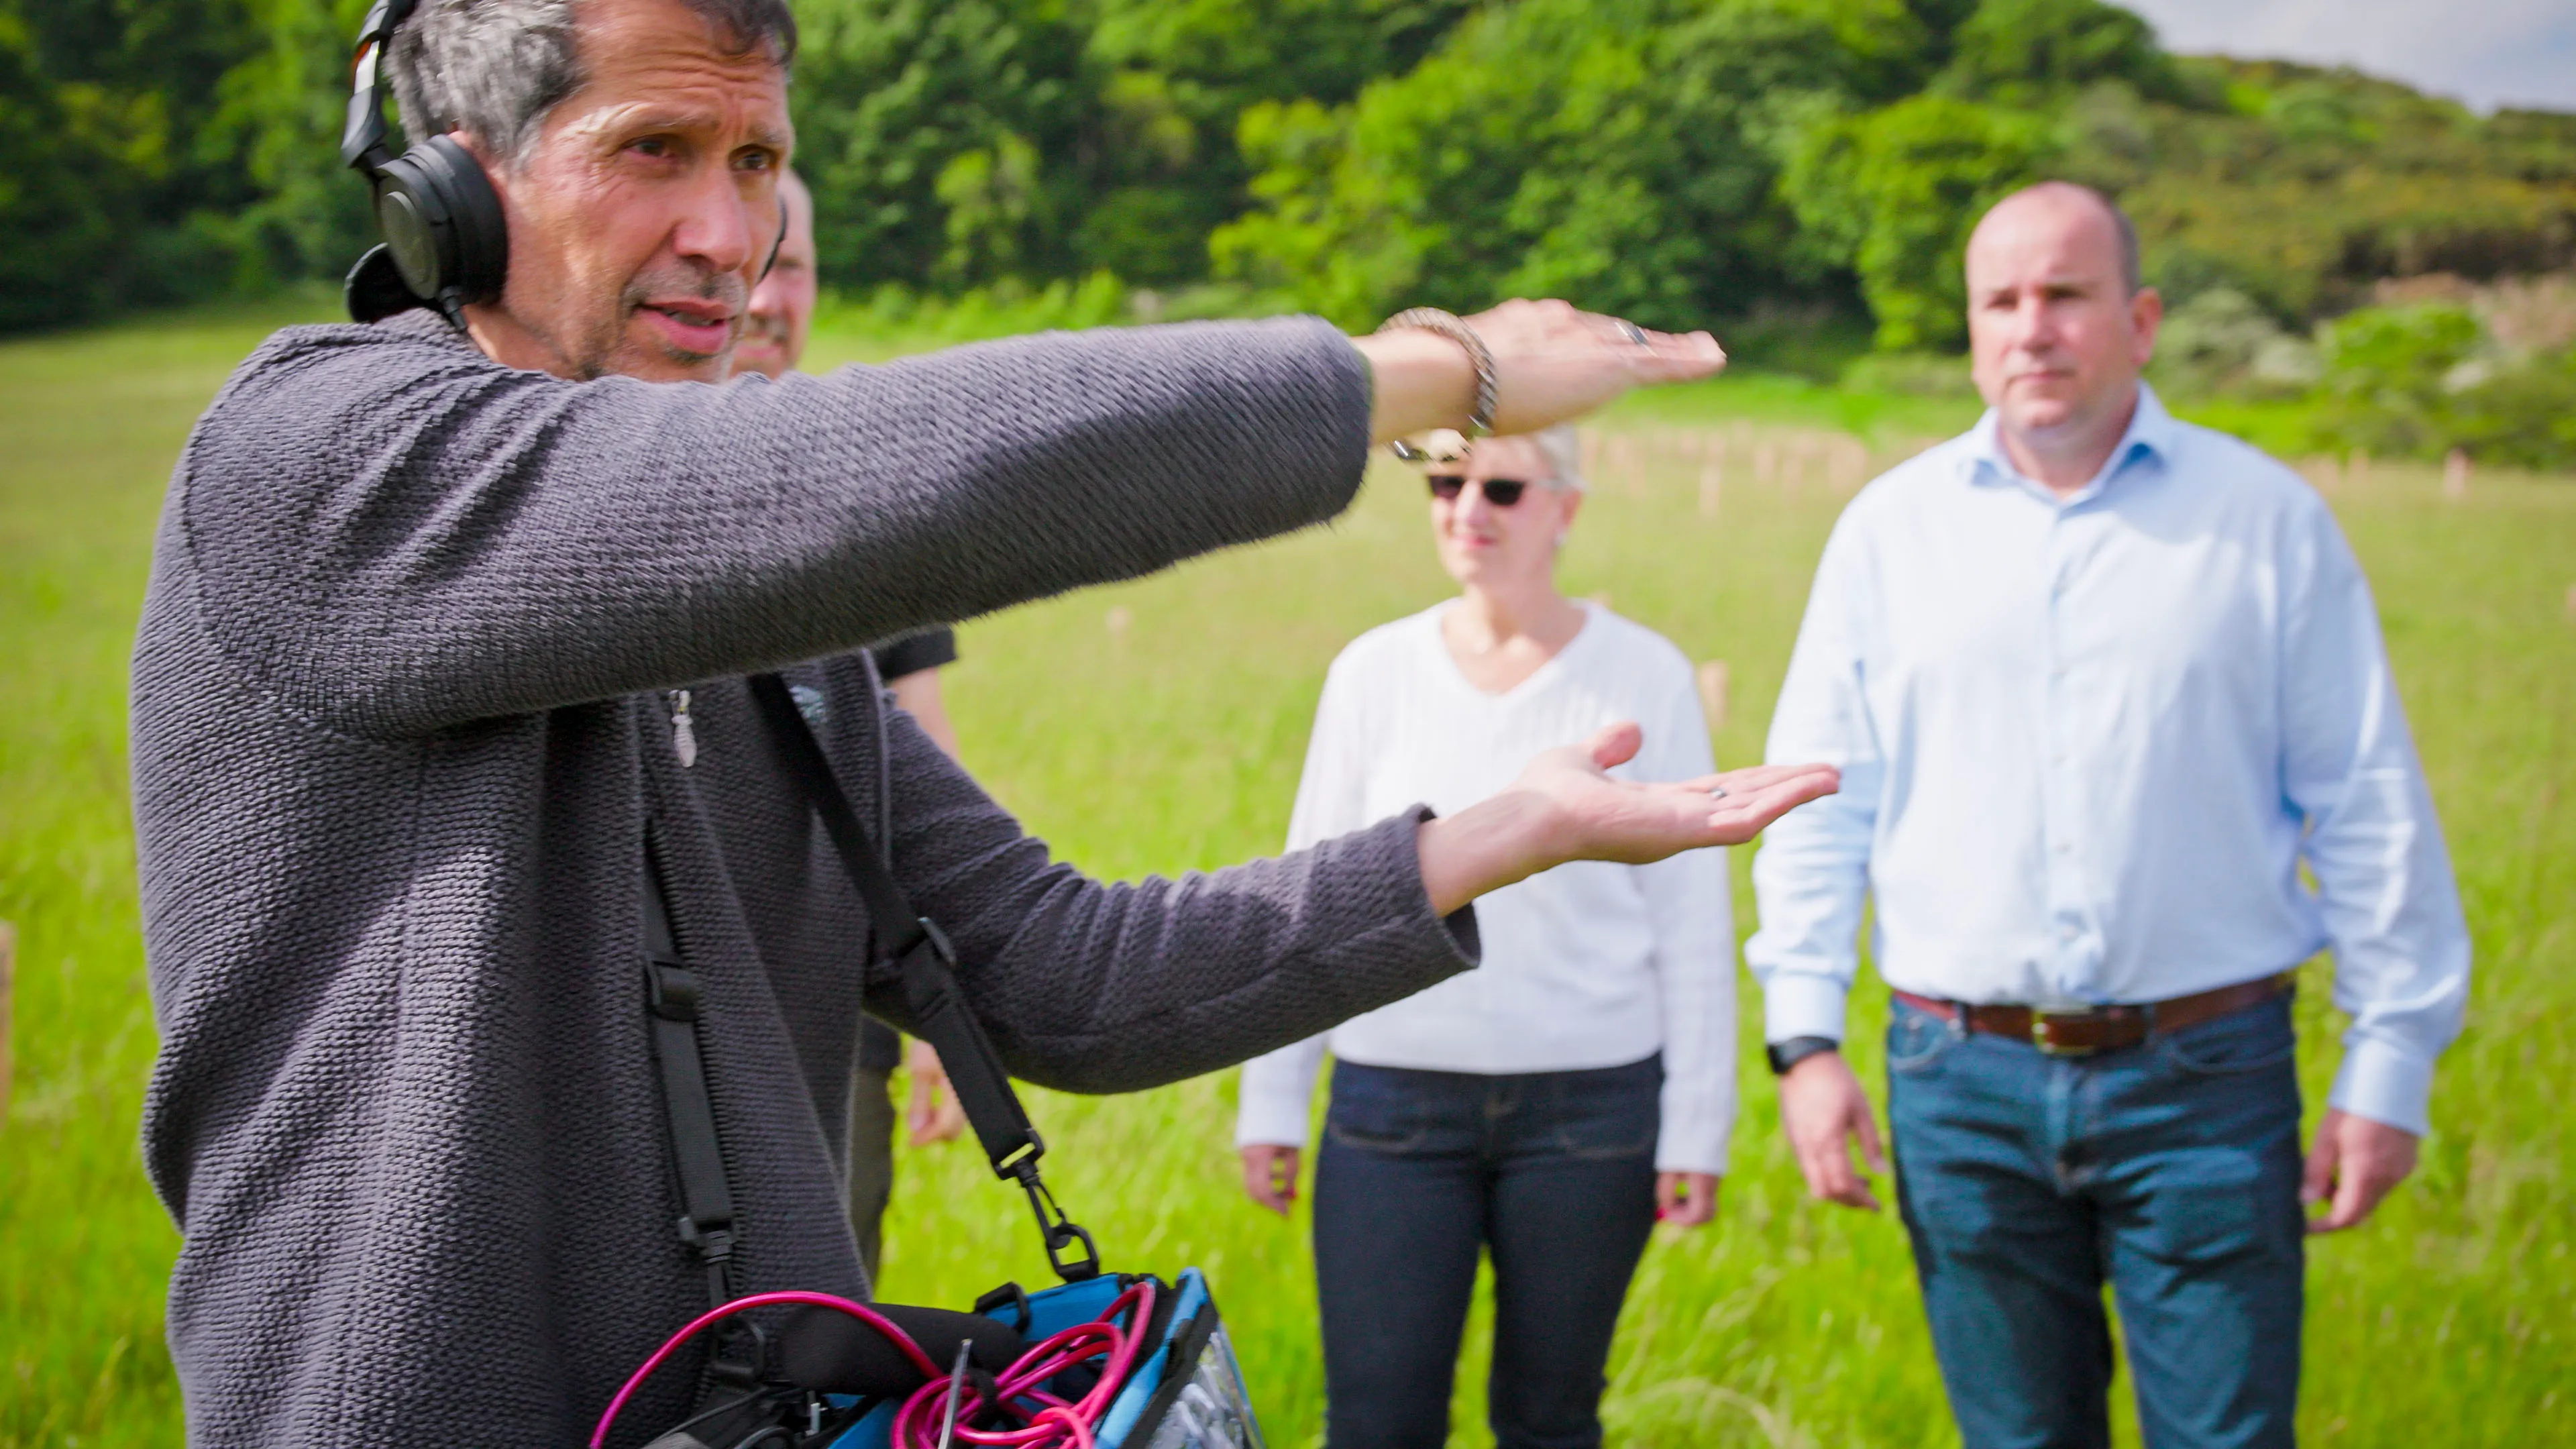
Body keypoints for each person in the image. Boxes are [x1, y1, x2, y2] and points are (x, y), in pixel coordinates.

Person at [129, 0, 1839, 1443]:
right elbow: (847, 488)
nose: (734, 243)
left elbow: (1065, 975)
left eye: (757, 162)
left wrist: (1500, 835)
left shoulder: (769, 646)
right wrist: (1422, 374)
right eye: (655, 152)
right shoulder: (318, 468)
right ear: (454, 185)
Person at [1746, 181, 2469, 1449]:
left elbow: (2364, 795)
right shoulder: (1887, 536)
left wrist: (2392, 1056)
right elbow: (1819, 799)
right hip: (1957, 1085)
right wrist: (1805, 1041)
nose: (2032, 328)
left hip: (2208, 1086)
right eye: (2002, 300)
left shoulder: (2265, 522)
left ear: (2138, 320)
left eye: (2065, 295)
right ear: (1972, 331)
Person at [1235, 427, 1731, 1449]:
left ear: (1568, 508)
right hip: (1391, 1108)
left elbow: (1691, 918)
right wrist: (1273, 1098)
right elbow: (1311, 890)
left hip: (1592, 1110)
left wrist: (1697, 1124)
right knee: (1377, 1423)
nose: (1470, 509)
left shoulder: (1647, 674)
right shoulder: (1373, 671)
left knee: (1552, 1420)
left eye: (1503, 487)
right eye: (1447, 483)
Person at [734, 168, 967, 1283]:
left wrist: (940, 995)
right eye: (751, 263)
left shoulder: (868, 493)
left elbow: (924, 738)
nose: (769, 297)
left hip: (841, 1003)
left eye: (793, 265)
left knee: (831, 1313)